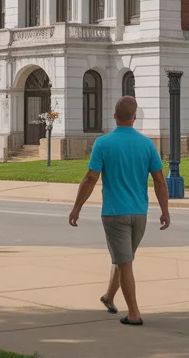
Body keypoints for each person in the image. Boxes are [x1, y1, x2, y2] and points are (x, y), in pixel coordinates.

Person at [69, 95, 170, 326]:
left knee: (124, 261)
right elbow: (160, 181)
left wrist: (77, 207)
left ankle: (134, 313)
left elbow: (90, 178)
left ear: (114, 117)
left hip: (115, 212)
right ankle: (109, 297)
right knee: (124, 258)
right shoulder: (147, 144)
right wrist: (165, 210)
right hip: (140, 213)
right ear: (135, 118)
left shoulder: (103, 143)